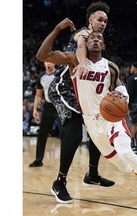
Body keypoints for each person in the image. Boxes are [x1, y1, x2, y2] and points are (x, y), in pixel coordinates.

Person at [36, 19, 137, 213]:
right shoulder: (74, 60)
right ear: (85, 44)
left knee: (127, 153)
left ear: (103, 45)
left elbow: (120, 88)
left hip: (111, 119)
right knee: (122, 165)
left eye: (99, 38)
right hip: (92, 124)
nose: (95, 39)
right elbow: (42, 55)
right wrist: (57, 29)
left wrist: (122, 98)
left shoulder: (111, 67)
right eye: (92, 37)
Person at [37, 1, 114, 204]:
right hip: (64, 88)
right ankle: (59, 182)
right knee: (74, 132)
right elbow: (80, 49)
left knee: (96, 125)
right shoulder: (83, 34)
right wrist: (82, 64)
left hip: (81, 89)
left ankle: (92, 175)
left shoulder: (98, 41)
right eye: (100, 19)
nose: (103, 23)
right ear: (90, 20)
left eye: (106, 20)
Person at [29, 61, 60, 167]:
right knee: (42, 134)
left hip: (60, 107)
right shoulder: (41, 76)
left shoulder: (60, 74)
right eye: (46, 61)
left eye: (51, 61)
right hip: (48, 107)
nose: (49, 63)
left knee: (65, 134)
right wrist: (35, 109)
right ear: (44, 63)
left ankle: (65, 162)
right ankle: (38, 160)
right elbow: (38, 95)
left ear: (55, 63)